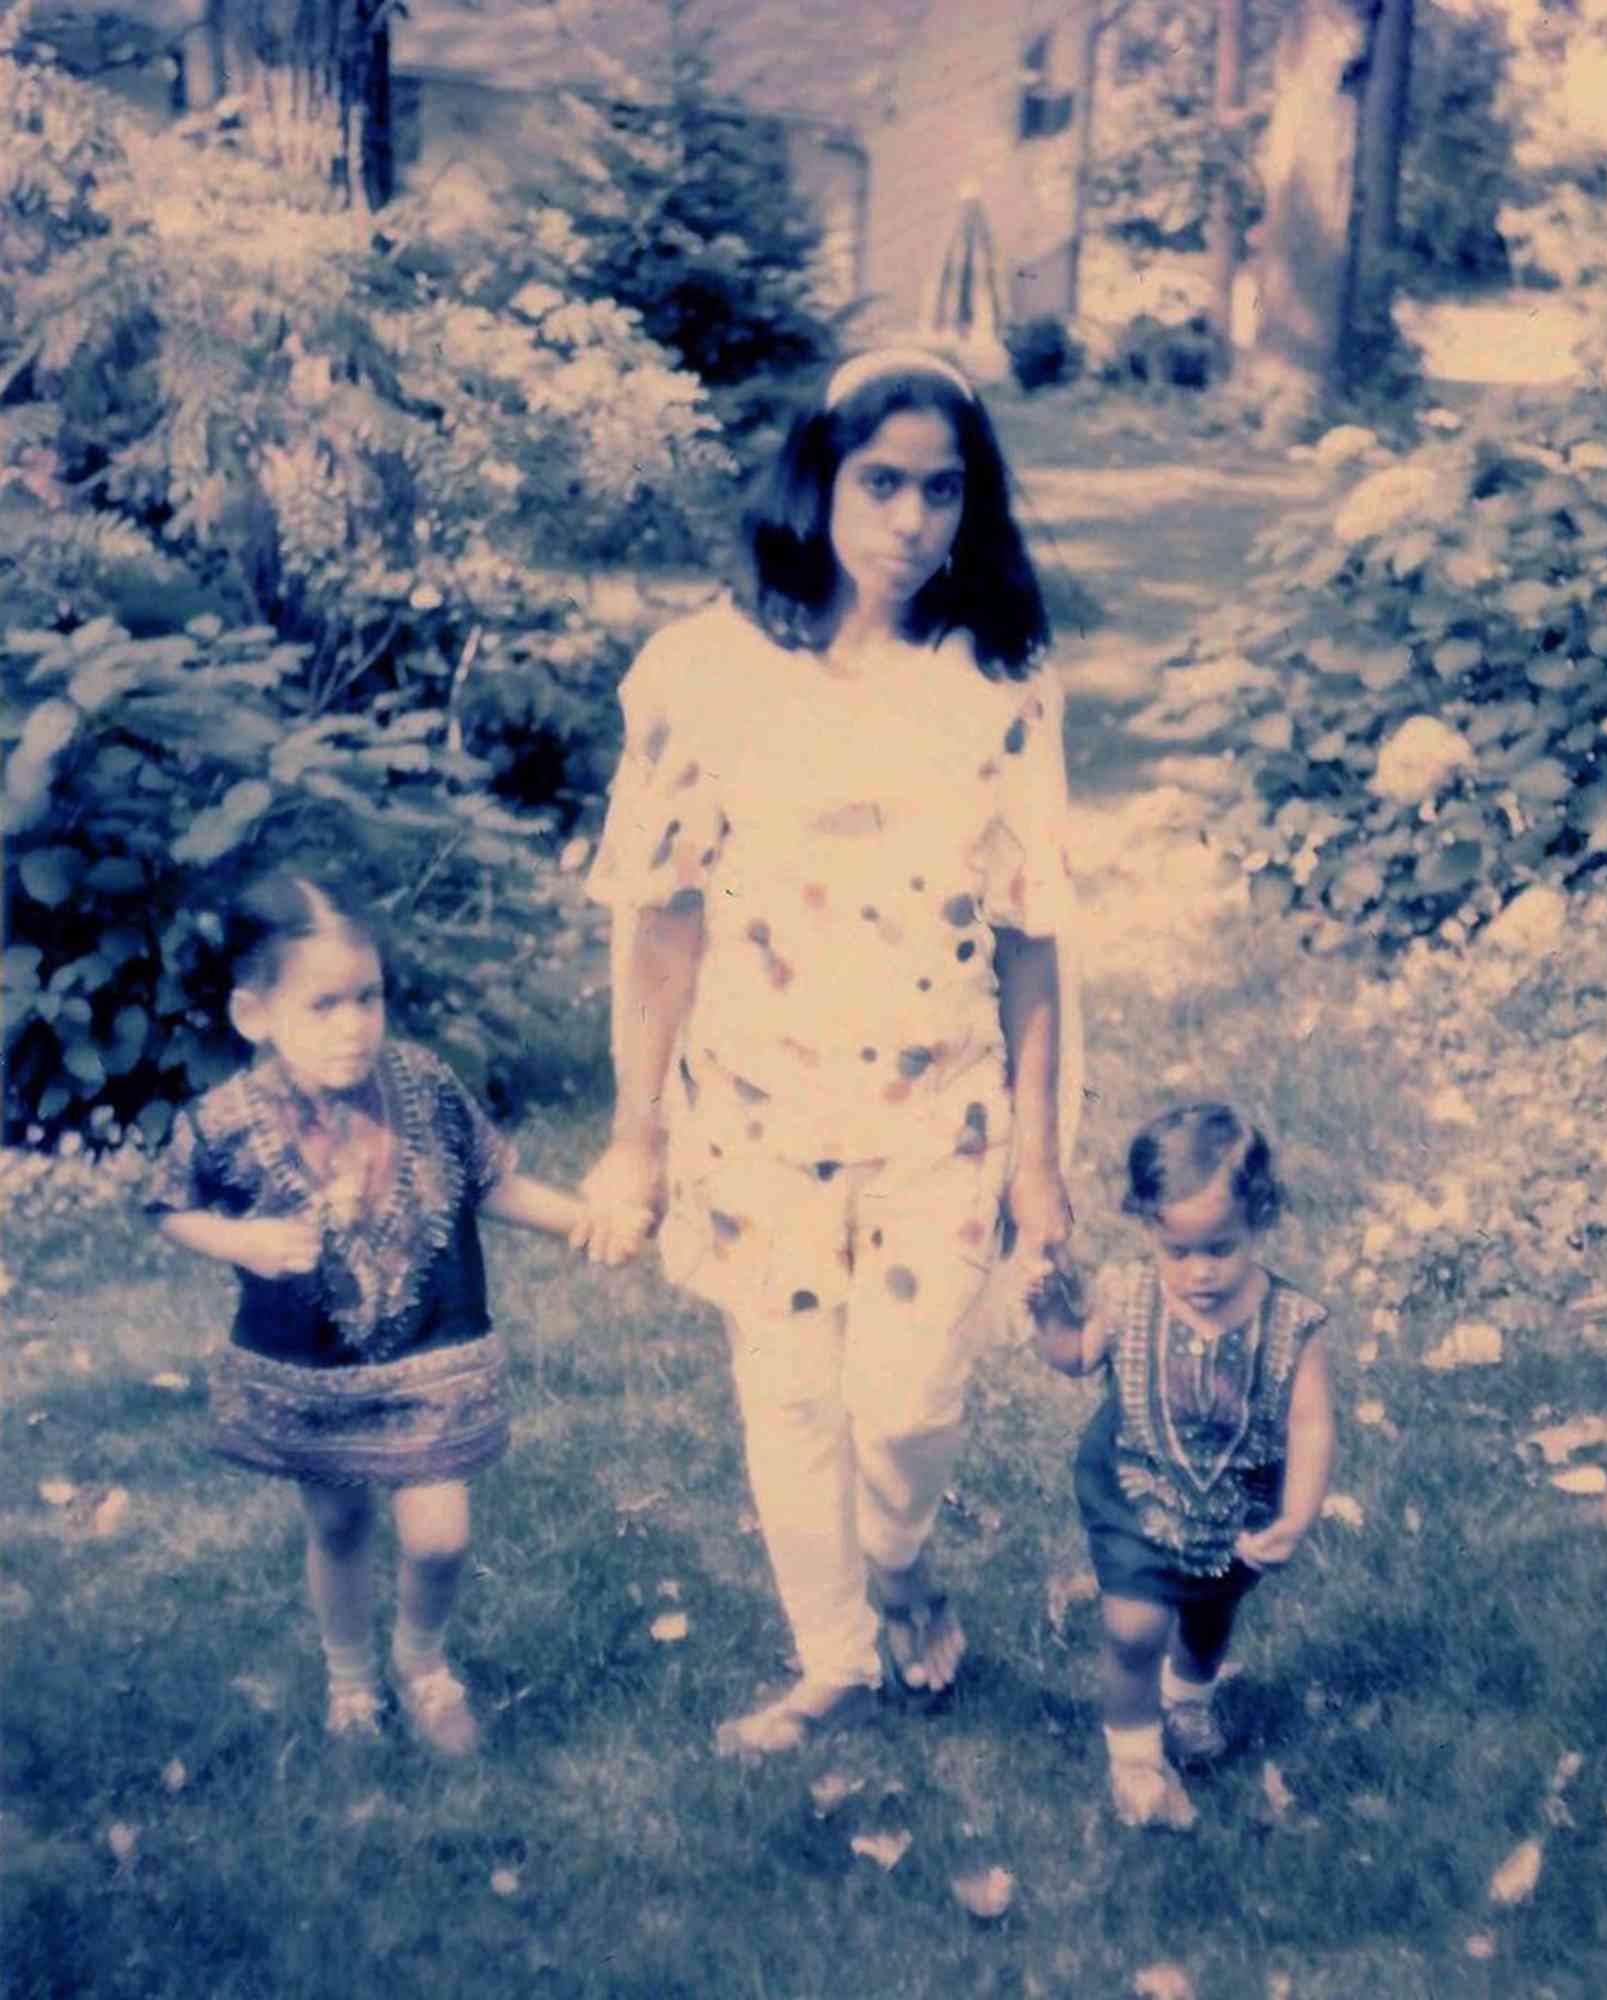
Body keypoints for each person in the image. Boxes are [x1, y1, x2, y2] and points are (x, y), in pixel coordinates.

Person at [580, 346, 1084, 1755]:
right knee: (790, 1394)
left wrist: (1039, 1166)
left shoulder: (997, 684)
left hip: (942, 1118)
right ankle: (833, 1659)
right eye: (882, 483)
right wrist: (639, 1136)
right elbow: (658, 920)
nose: (912, 521)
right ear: (819, 476)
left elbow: (1037, 936)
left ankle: (904, 1566)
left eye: (942, 490)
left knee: (907, 1406)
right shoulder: (706, 672)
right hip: (757, 1114)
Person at [144, 870, 601, 1755]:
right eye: (323, 1006)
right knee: (339, 1521)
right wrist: (239, 1243)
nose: (354, 1024)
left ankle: (422, 1664)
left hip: (434, 1352)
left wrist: (578, 1218)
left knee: (438, 1535)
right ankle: (350, 1678)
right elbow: (169, 1206)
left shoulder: (423, 1086)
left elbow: (488, 1178)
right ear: (255, 1016)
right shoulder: (225, 1121)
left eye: (368, 998)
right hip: (313, 1370)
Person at [1030, 1104, 1336, 1830]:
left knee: (1206, 1619)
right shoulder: (1131, 1295)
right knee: (1133, 1627)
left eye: (1219, 1250)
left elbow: (1311, 1422)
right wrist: (1049, 1319)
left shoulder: (1293, 1324)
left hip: (1238, 1502)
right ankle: (1133, 1757)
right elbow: (1076, 1357)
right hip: (1136, 1488)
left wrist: (1295, 1516)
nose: (1197, 1273)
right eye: (1177, 1252)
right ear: (1148, 1233)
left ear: (1259, 1222)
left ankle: (1188, 1697)